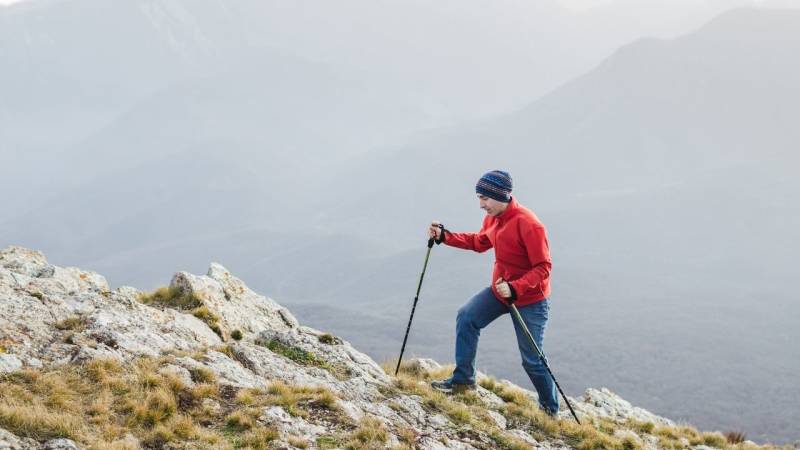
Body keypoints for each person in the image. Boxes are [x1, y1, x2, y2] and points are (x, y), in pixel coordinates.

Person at [427, 169, 559, 416]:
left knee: (531, 359)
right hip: (500, 291)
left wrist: (516, 287)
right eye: (479, 197)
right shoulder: (493, 218)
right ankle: (463, 381)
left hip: (530, 300)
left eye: (484, 198)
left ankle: (550, 409)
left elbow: (544, 267)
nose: (481, 204)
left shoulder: (529, 224)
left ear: (501, 196)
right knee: (467, 317)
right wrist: (446, 237)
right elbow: (479, 242)